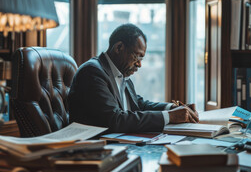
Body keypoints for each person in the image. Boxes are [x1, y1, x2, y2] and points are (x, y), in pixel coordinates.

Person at [68, 23, 199, 132]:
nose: (140, 64)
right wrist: (169, 117)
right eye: (137, 56)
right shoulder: (92, 72)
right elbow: (114, 120)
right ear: (119, 48)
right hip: (94, 149)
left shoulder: (121, 74)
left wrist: (172, 108)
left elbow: (139, 105)